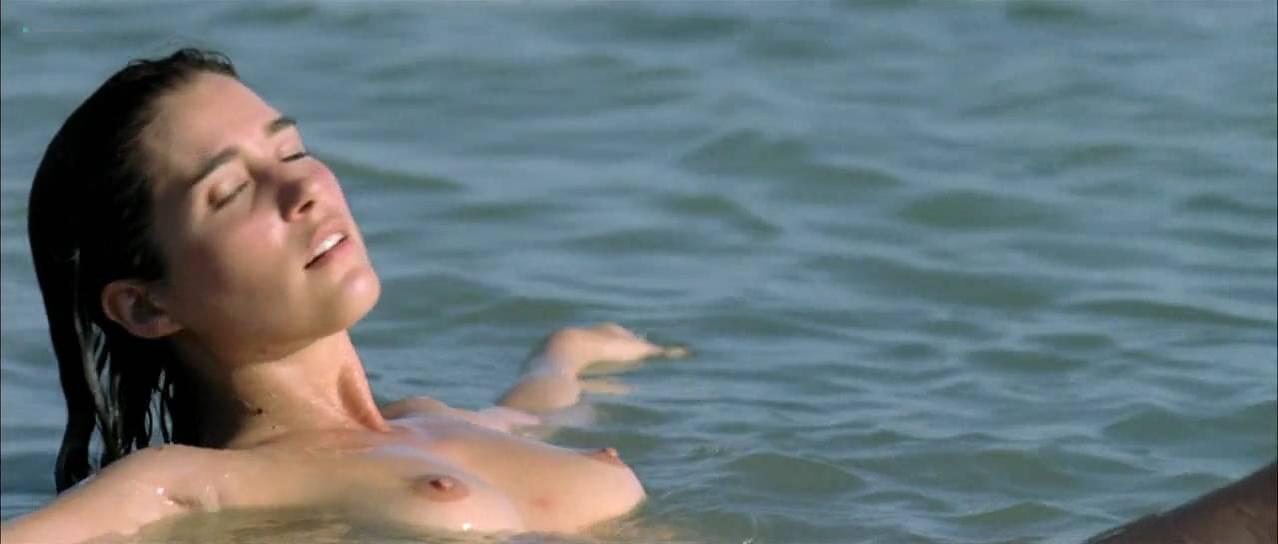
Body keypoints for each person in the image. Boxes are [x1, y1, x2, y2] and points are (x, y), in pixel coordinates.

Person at [0, 47, 687, 543]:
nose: (303, 188)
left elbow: (535, 407)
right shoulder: (185, 480)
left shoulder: (436, 421)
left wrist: (566, 354)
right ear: (147, 306)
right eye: (231, 191)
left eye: (292, 152)